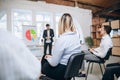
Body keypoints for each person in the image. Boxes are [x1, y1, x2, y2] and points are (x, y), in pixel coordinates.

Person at [41, 13, 81, 80]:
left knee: (44, 59)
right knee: (48, 57)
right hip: (71, 71)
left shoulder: (61, 39)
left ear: (61, 24)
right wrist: (52, 57)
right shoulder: (76, 37)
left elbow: (54, 64)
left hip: (61, 72)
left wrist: (48, 58)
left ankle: (42, 77)